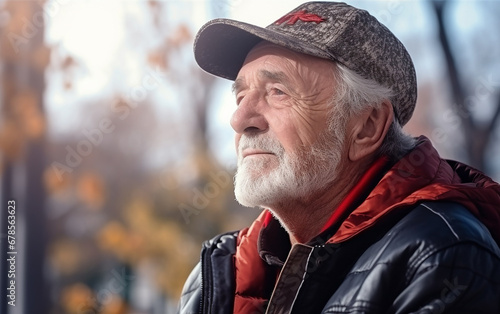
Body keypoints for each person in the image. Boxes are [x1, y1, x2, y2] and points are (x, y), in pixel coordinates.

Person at [179, 2, 500, 313]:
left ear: (367, 127)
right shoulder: (216, 275)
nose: (239, 119)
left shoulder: (443, 257)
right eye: (241, 95)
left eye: (278, 91)